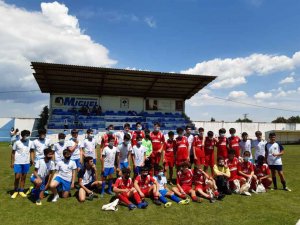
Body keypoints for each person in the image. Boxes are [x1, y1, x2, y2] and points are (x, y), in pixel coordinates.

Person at [10, 130, 34, 199]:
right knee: (17, 177)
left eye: (28, 135)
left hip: (26, 162)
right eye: (26, 135)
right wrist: (12, 162)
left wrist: (32, 160)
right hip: (17, 162)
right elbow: (13, 153)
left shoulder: (31, 142)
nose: (27, 137)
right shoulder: (17, 142)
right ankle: (15, 191)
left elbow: (32, 151)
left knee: (23, 177)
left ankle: (21, 190)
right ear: (22, 135)